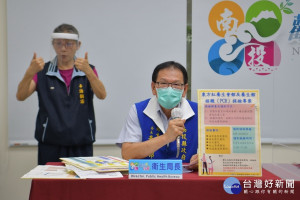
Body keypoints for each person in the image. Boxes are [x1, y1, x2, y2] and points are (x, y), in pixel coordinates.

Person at [16, 24, 107, 165]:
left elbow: (102, 94)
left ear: (78, 45)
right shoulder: (42, 71)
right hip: (50, 144)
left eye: (69, 44)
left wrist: (88, 72)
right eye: (59, 43)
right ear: (53, 44)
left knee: (81, 186)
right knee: (51, 186)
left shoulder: (88, 70)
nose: (63, 48)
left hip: (81, 143)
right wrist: (30, 72)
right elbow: (21, 96)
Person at [117, 61, 198, 169]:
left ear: (185, 89)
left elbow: (215, 153)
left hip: (186, 181)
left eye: (176, 84)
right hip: (147, 179)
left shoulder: (199, 111)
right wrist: (166, 138)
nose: (169, 89)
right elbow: (127, 154)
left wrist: (202, 160)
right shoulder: (138, 110)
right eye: (163, 83)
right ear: (153, 87)